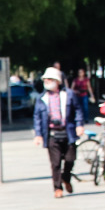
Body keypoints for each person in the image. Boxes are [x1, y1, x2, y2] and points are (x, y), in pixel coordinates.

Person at [33, 66, 85, 198]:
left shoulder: (69, 94)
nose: (47, 82)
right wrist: (38, 134)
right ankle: (57, 187)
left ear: (57, 81)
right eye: (45, 79)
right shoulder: (42, 98)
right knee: (55, 163)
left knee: (70, 159)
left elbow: (78, 110)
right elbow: (37, 117)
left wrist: (79, 125)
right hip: (51, 134)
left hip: (68, 132)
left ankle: (66, 177)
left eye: (50, 79)